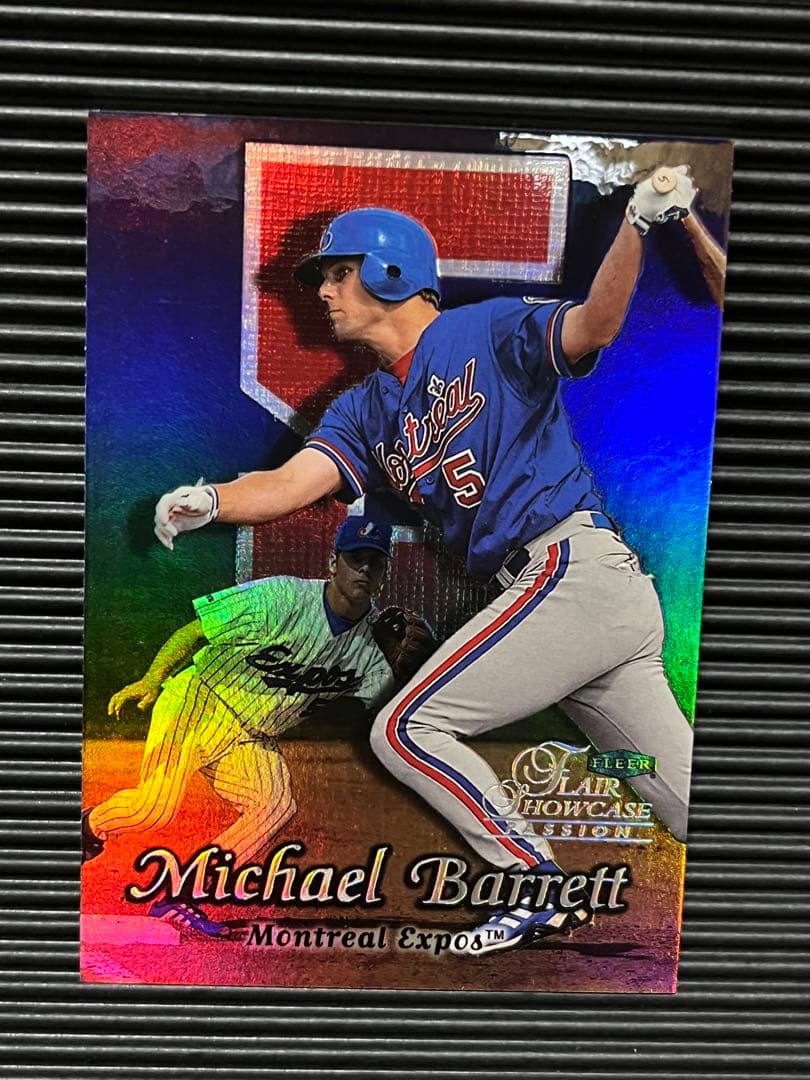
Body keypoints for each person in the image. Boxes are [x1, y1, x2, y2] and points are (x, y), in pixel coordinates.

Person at [153, 172, 698, 952]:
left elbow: (595, 325)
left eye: (339, 272)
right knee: (685, 803)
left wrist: (635, 227)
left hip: (571, 572)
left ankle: (534, 883)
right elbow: (291, 483)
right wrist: (211, 500)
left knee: (406, 730)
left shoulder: (486, 331)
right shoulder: (365, 407)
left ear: (390, 271)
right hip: (576, 604)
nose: (324, 292)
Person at [83, 518, 405, 938]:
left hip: (252, 735)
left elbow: (363, 715)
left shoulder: (375, 648)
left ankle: (183, 894)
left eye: (375, 562)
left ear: (385, 572)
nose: (363, 569)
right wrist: (152, 677)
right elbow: (196, 630)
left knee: (275, 806)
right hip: (199, 700)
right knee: (153, 808)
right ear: (333, 563)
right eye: (355, 558)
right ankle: (86, 828)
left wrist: (403, 679)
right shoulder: (282, 597)